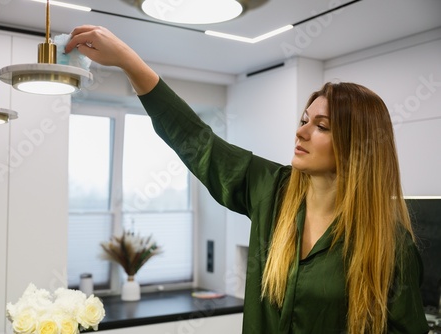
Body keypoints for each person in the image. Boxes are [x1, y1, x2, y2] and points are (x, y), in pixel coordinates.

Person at [65, 25, 429, 334]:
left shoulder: (391, 247)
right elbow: (196, 141)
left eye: (321, 126)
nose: (301, 133)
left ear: (358, 146)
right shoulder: (271, 190)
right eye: (304, 120)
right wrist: (129, 60)